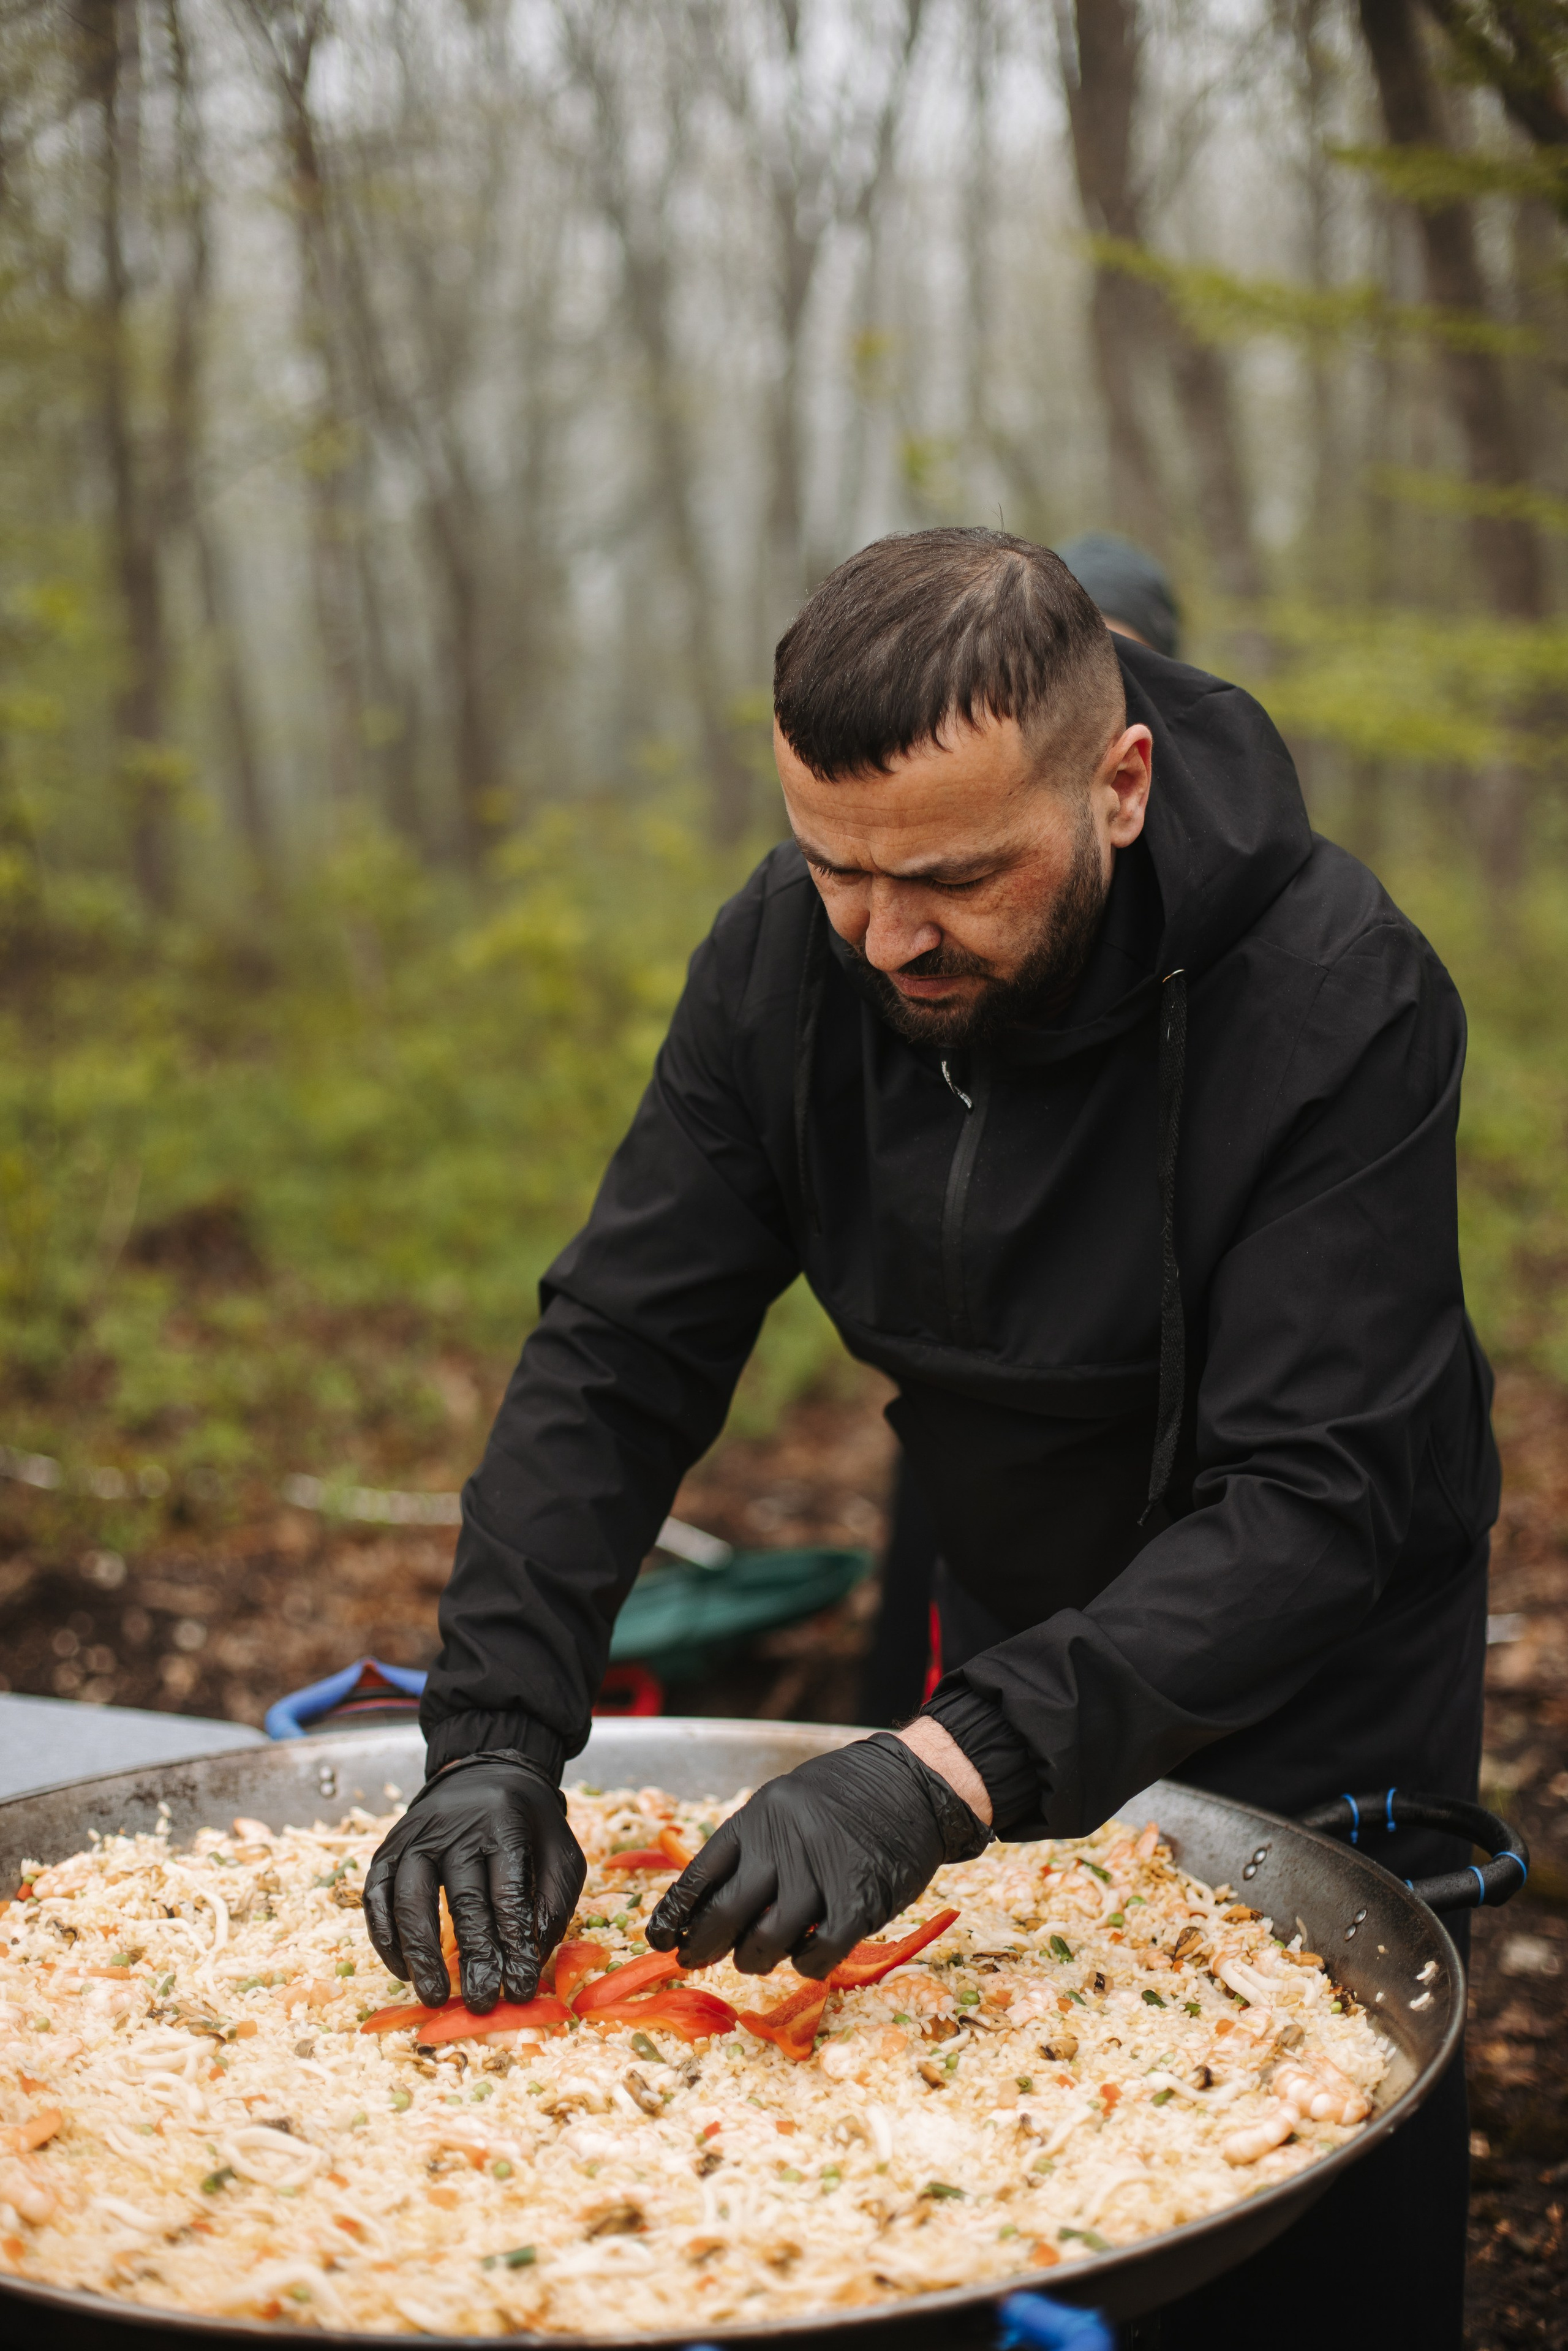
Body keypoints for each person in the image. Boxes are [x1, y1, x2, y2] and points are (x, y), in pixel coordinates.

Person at [364, 527, 1495, 2346]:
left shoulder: (1337, 992)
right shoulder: (789, 954)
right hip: (1015, 1575)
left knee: (1296, 2198)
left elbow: (1319, 1497)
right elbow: (621, 1351)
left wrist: (938, 1771)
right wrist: (493, 1734)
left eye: (960, 879)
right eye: (838, 870)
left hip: (1318, 1648)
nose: (889, 937)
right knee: (982, 2177)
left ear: (1119, 788)